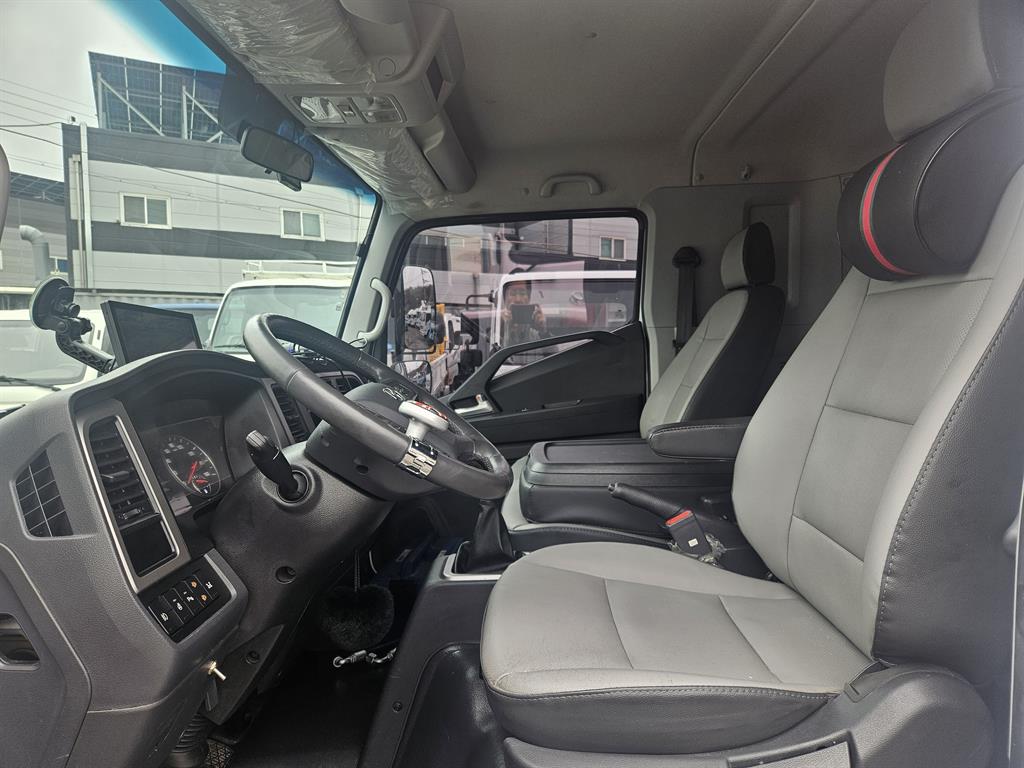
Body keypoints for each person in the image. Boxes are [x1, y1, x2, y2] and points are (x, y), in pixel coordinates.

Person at [500, 281, 546, 346]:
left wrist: (543, 332)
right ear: (505, 299)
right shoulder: (496, 327)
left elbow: (554, 351)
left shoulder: (535, 333)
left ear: (529, 298)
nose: (518, 299)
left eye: (522, 293)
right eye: (513, 294)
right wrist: (502, 328)